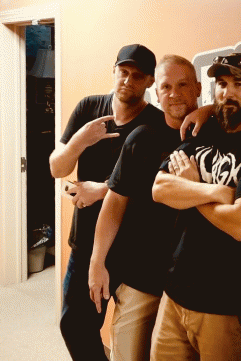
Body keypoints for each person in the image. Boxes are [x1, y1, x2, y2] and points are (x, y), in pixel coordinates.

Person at [150, 53, 241, 361]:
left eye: (238, 84)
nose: (227, 92)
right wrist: (214, 191)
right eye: (222, 84)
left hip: (224, 305)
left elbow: (240, 225)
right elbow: (159, 189)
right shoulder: (204, 130)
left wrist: (189, 190)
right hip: (173, 294)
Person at [50, 44, 164, 361]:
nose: (128, 80)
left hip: (134, 249)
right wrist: (80, 141)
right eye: (123, 72)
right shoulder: (89, 109)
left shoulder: (156, 123)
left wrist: (101, 189)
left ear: (150, 81)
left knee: (131, 340)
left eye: (137, 76)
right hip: (87, 242)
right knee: (75, 325)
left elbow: (159, 185)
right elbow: (57, 168)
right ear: (114, 71)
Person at [86, 55, 201, 361]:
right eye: (166, 87)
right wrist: (97, 262)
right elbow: (115, 201)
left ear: (198, 88)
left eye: (183, 85)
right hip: (141, 279)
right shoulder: (142, 137)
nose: (174, 94)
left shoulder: (213, 136)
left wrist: (212, 110)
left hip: (192, 286)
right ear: (157, 93)